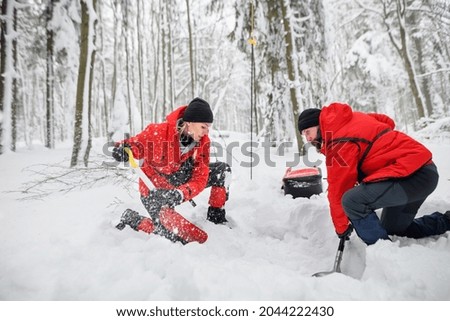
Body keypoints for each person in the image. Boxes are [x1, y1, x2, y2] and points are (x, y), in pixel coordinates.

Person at [297, 102, 450, 245]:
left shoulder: (339, 140)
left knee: (352, 201)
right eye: (304, 134)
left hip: (415, 176)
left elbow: (339, 189)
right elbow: (386, 121)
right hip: (420, 171)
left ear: (319, 124)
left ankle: (386, 257)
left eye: (308, 131)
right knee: (394, 229)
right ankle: (446, 221)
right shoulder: (349, 120)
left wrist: (341, 228)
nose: (308, 138)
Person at [112, 97, 231, 243]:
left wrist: (181, 193)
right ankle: (134, 219)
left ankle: (216, 218)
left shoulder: (203, 142)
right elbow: (135, 145)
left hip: (178, 186)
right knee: (182, 238)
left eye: (208, 127)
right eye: (203, 126)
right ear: (189, 123)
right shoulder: (158, 132)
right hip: (155, 192)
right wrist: (123, 149)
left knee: (222, 171)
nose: (206, 132)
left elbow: (200, 178)